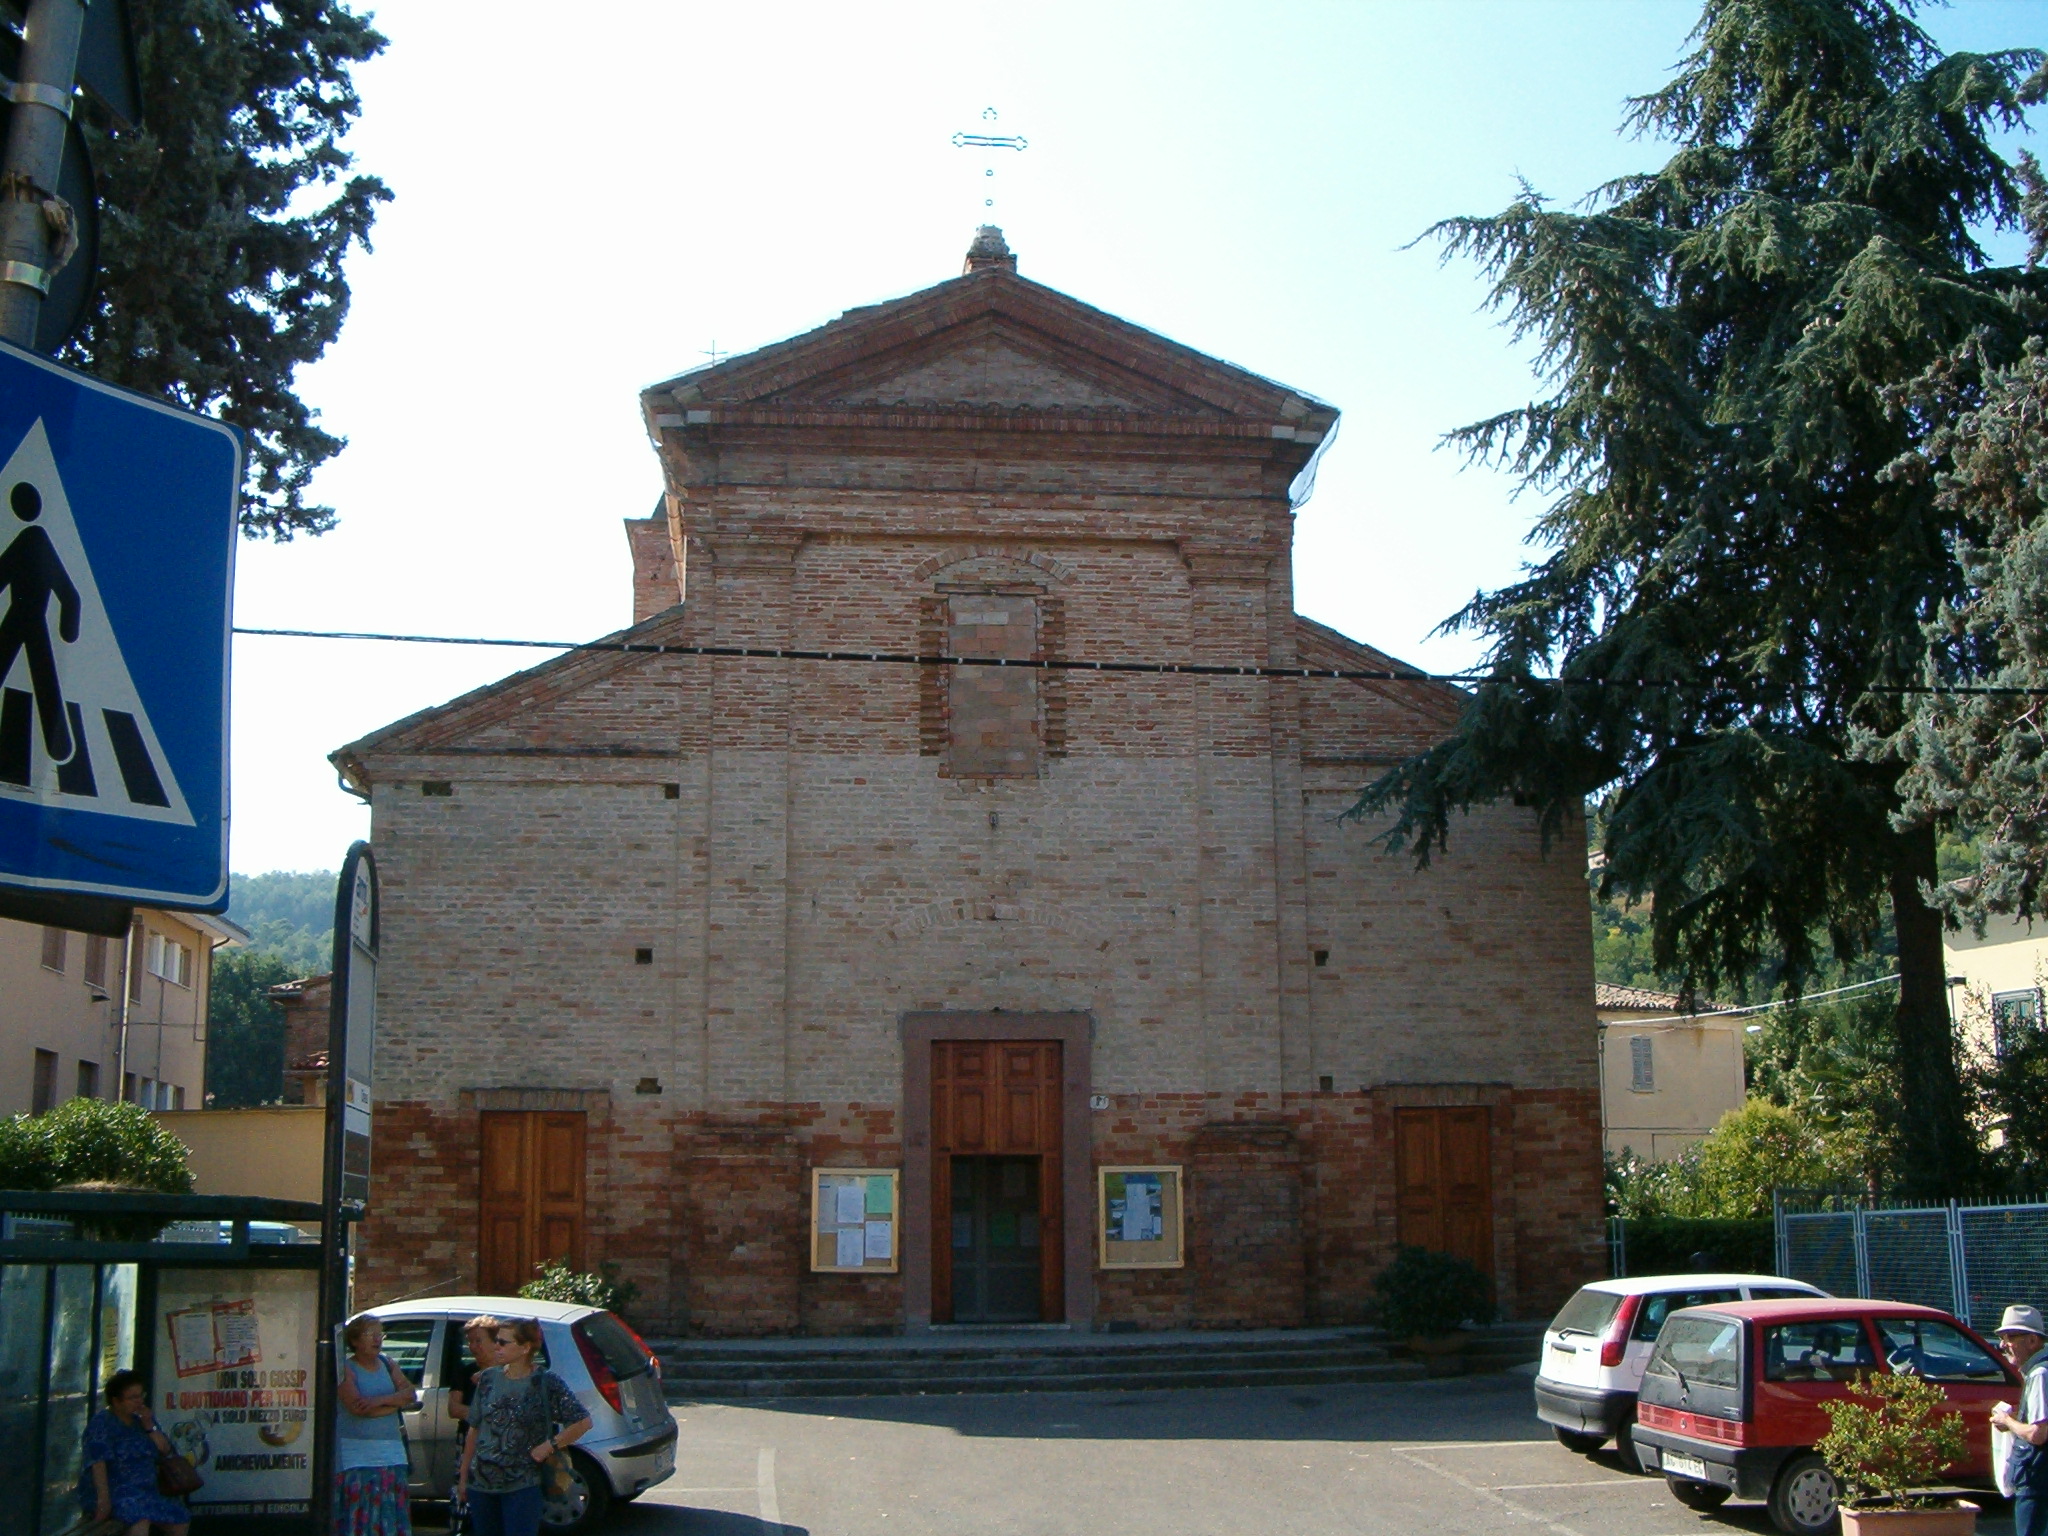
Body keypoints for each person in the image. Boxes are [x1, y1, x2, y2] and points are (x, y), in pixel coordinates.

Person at [455, 1319, 593, 1536]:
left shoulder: (546, 1383)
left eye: (503, 1342)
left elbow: (582, 1422)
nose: (496, 1347)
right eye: (496, 1341)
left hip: (522, 1484)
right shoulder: (488, 1379)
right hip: (482, 1483)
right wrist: (463, 1479)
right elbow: (474, 1428)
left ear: (525, 1347)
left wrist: (549, 1446)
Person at [77, 1369, 189, 1536]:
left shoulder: (141, 1421)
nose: (139, 1401)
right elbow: (97, 1463)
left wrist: (149, 1425)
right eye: (132, 1398)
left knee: (180, 1517)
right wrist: (103, 1501)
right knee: (138, 1519)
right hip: (117, 1492)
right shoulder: (102, 1424)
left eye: (140, 1395)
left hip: (146, 1490)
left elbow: (164, 1449)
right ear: (116, 1401)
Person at [335, 1314, 419, 1535]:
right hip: (357, 1456)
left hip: (391, 1452)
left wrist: (378, 1401)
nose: (377, 1340)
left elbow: (409, 1394)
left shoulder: (387, 1363)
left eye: (379, 1334)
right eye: (370, 1334)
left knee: (390, 1511)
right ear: (354, 1340)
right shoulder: (346, 1369)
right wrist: (394, 1402)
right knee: (361, 1513)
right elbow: (358, 1409)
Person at [1991, 1304, 2048, 1536]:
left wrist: (2008, 1421)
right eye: (2002, 1338)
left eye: (2010, 1337)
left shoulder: (2039, 1374)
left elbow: (2038, 1434)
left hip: (2037, 1482)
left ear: (2033, 1341)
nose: (2003, 1344)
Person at [446, 1314, 503, 1424]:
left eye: (478, 1341)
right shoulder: (465, 1373)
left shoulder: (508, 1371)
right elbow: (453, 1409)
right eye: (470, 1341)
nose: (472, 1346)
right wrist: (488, 1415)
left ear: (495, 1342)